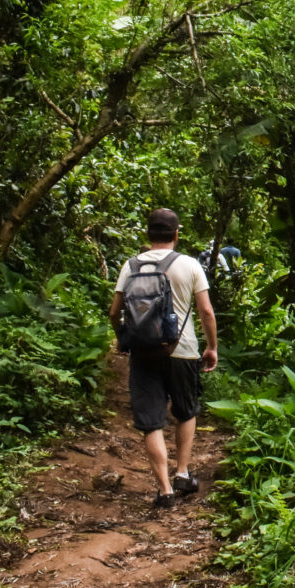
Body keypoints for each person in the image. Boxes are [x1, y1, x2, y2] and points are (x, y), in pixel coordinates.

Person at [109, 208, 218, 509]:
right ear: (176, 234)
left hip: (144, 353)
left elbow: (113, 311)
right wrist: (212, 347)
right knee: (186, 410)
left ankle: (165, 490)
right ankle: (182, 472)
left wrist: (123, 339)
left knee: (151, 421)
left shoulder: (131, 266)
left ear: (148, 234)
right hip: (182, 351)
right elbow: (206, 312)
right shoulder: (190, 265)